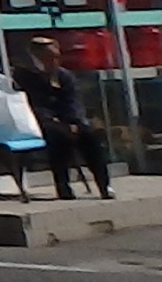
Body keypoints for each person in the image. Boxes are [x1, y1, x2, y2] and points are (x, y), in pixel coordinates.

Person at [15, 45, 113, 200]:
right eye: (48, 58)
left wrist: (73, 121)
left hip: (67, 119)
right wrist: (53, 120)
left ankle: (104, 185)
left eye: (55, 58)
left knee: (89, 137)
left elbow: (73, 100)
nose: (53, 62)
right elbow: (32, 103)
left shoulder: (64, 75)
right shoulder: (25, 77)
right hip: (41, 121)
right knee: (59, 138)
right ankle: (63, 186)